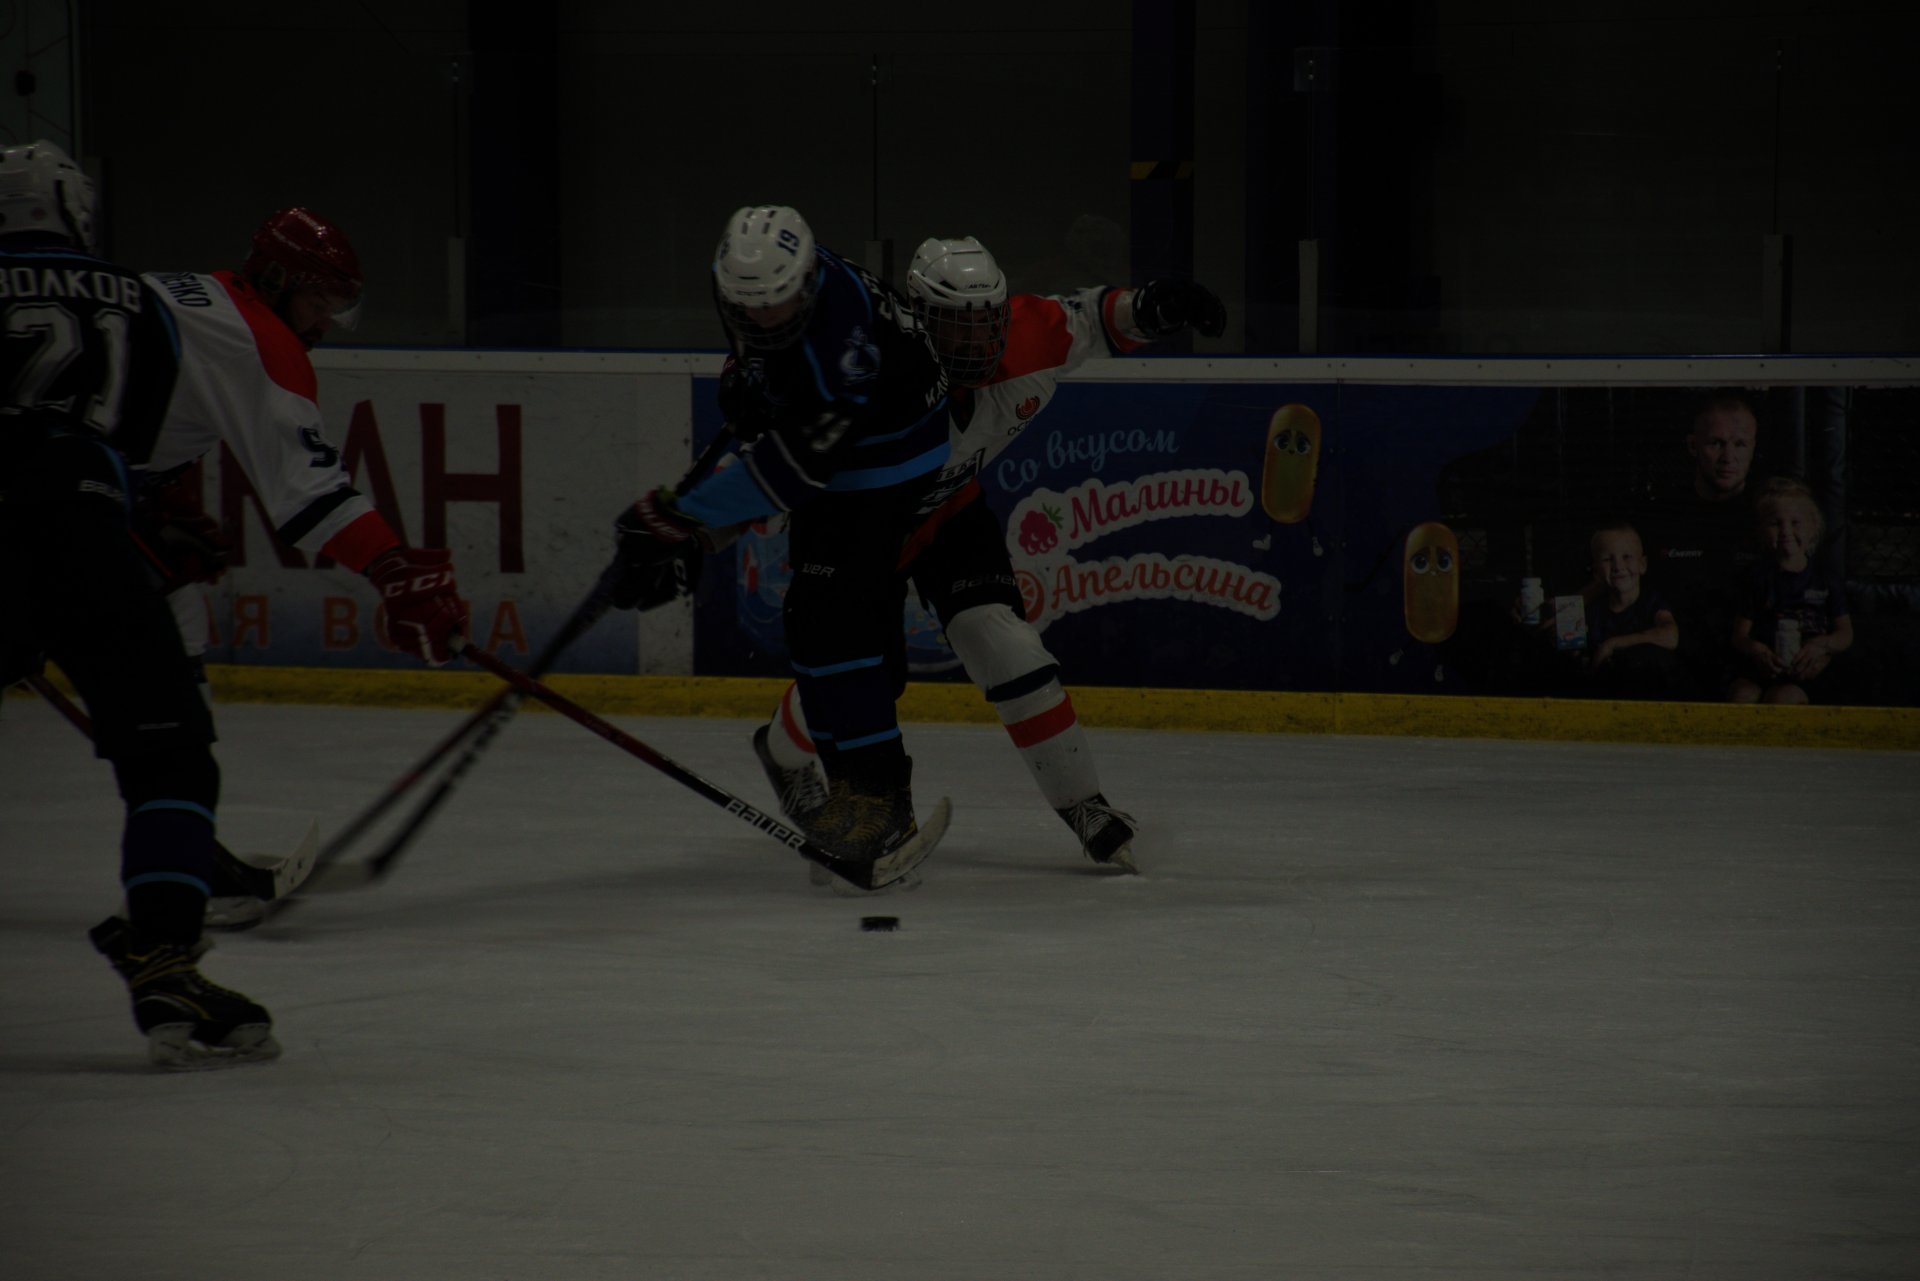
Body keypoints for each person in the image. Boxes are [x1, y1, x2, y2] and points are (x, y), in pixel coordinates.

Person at [2, 165, 467, 1069]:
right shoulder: (222, 328)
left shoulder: (166, 291)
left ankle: (191, 861)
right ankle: (169, 935)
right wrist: (393, 569)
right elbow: (308, 490)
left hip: (65, 512)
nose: (326, 322)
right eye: (322, 300)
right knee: (171, 747)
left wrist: (145, 510)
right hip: (68, 524)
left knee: (176, 608)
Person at [748, 235, 1226, 873]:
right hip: (855, 532)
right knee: (861, 680)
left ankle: (1085, 805)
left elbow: (1088, 319)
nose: (977, 342)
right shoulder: (871, 369)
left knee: (1003, 641)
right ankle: (783, 753)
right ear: (918, 319)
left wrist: (1151, 307)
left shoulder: (1025, 340)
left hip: (948, 513)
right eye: (956, 325)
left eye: (986, 321)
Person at [609, 205, 951, 866]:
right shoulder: (769, 289)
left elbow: (794, 469)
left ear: (808, 278)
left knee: (840, 621)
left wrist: (680, 519)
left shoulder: (844, 336)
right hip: (845, 457)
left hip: (895, 459)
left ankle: (881, 799)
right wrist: (751, 382)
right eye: (750, 305)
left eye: (779, 301)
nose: (765, 316)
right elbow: (775, 384)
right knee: (810, 623)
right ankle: (850, 797)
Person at [1634, 391, 1765, 699]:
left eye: (1740, 444)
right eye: (1716, 443)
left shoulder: (1771, 519)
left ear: (1753, 448)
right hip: (1677, 661)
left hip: (1747, 663)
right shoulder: (1660, 516)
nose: (1728, 457)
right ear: (1693, 446)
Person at [1729, 478, 1853, 704]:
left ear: (1813, 528)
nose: (1785, 531)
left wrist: (1821, 646)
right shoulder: (1756, 578)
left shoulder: (1826, 579)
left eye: (1796, 522)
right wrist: (1757, 650)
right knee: (1742, 695)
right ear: (1762, 530)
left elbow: (1845, 634)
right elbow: (1740, 635)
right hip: (1764, 668)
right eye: (1775, 523)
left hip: (1807, 671)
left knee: (1783, 698)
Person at [1580, 521, 1682, 699]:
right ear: (1596, 571)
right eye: (1607, 559)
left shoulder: (1651, 602)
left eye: (1626, 556)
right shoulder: (1593, 612)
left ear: (1642, 564)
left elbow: (1671, 636)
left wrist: (1612, 644)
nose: (1618, 566)